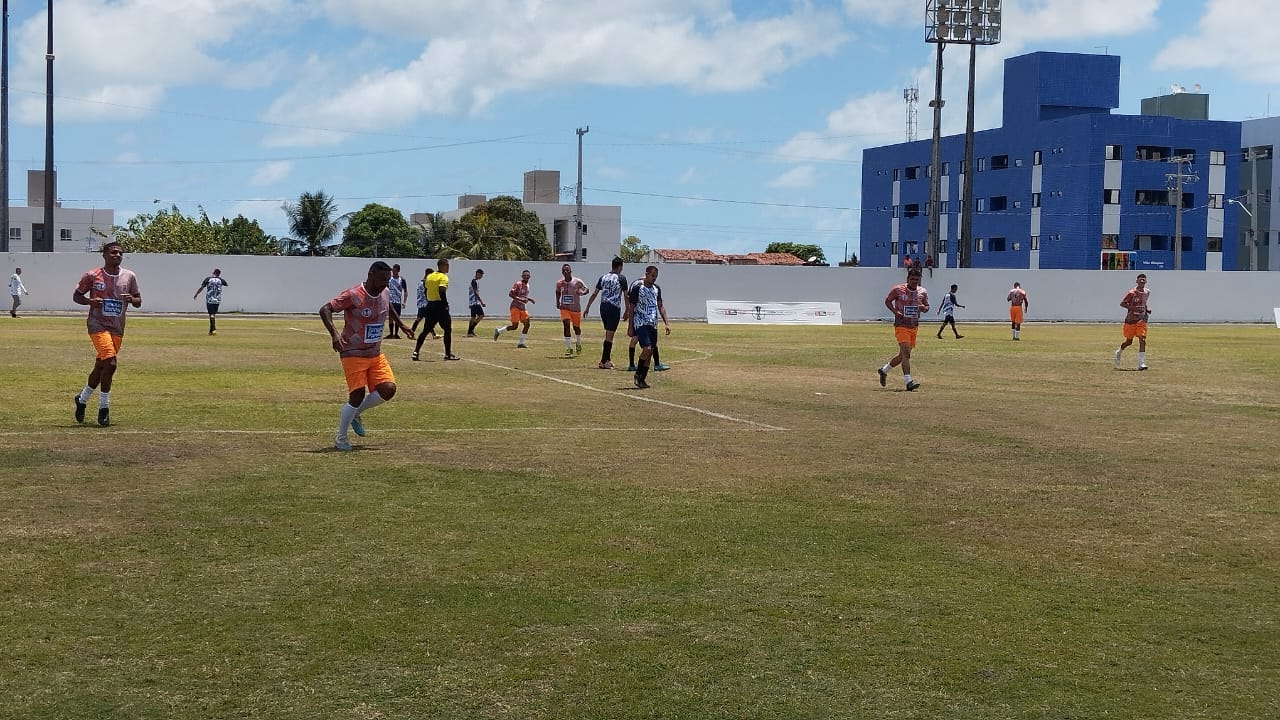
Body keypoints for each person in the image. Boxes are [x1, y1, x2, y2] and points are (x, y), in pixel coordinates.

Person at [319, 260, 414, 451]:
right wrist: (334, 334)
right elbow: (325, 309)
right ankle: (341, 439)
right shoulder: (353, 294)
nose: (385, 284)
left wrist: (401, 325)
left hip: (375, 353)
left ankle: (356, 413)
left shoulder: (385, 292)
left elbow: (389, 307)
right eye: (382, 280)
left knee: (388, 389)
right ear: (370, 275)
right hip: (352, 352)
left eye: (388, 280)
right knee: (357, 395)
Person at [71, 240, 142, 426]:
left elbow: (139, 300)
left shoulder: (129, 276)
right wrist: (89, 302)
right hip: (97, 324)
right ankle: (104, 408)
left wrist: (132, 299)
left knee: (102, 367)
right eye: (113, 253)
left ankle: (82, 398)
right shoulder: (92, 275)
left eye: (120, 253)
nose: (117, 255)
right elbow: (76, 296)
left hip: (117, 327)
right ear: (104, 255)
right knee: (111, 362)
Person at [877, 266, 928, 391]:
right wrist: (895, 312)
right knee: (906, 353)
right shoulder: (898, 289)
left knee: (903, 355)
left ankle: (884, 370)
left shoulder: (922, 292)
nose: (914, 282)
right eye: (912, 279)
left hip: (914, 326)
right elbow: (888, 301)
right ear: (907, 279)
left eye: (917, 279)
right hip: (901, 326)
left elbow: (927, 307)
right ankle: (908, 381)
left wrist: (923, 308)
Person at [623, 265, 670, 389]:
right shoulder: (638, 288)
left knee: (649, 353)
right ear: (647, 274)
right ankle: (638, 374)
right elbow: (632, 307)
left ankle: (642, 379)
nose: (654, 278)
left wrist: (666, 323)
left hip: (652, 323)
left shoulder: (656, 289)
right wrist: (630, 326)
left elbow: (660, 306)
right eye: (652, 275)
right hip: (640, 322)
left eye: (656, 276)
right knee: (647, 348)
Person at [583, 257, 628, 369]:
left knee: (608, 333)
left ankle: (607, 359)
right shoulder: (621, 278)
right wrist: (627, 310)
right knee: (609, 335)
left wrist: (587, 307)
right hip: (614, 307)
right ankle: (603, 361)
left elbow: (594, 293)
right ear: (620, 267)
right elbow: (626, 295)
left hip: (603, 307)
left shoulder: (603, 277)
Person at [413, 258, 459, 362]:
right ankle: (447, 354)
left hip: (430, 305)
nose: (448, 267)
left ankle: (416, 352)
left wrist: (429, 299)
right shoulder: (443, 277)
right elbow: (441, 290)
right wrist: (445, 304)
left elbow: (425, 290)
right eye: (447, 265)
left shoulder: (430, 276)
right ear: (442, 266)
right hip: (440, 305)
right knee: (447, 329)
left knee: (426, 330)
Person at [1115, 273, 1152, 371]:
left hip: (1141, 320)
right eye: (1140, 280)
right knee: (1129, 342)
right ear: (1137, 281)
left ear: (1146, 281)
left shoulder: (1147, 292)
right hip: (1130, 321)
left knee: (1142, 340)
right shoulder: (1132, 293)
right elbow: (1122, 304)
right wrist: (1134, 308)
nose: (1142, 282)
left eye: (1144, 280)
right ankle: (1119, 351)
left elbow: (1144, 303)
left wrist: (1147, 310)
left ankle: (1141, 364)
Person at [554, 263, 590, 357]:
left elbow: (586, 289)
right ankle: (568, 348)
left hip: (575, 309)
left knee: (576, 328)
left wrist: (581, 292)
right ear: (562, 272)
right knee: (566, 325)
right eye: (564, 270)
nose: (565, 272)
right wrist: (557, 302)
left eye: (567, 270)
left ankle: (578, 343)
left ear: (570, 271)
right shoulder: (559, 283)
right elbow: (557, 292)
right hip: (564, 308)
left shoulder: (577, 281)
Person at [493, 269, 535, 347]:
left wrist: (529, 299)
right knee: (514, 326)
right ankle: (499, 331)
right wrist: (520, 299)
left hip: (522, 308)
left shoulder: (528, 285)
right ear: (522, 276)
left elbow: (523, 296)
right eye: (524, 275)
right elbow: (510, 294)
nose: (526, 276)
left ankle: (521, 343)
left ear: (530, 276)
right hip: (515, 307)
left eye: (527, 275)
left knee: (527, 324)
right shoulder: (518, 284)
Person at [192, 268, 228, 335]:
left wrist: (196, 294)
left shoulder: (208, 279)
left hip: (210, 299)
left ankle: (213, 329)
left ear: (213, 272)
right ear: (219, 274)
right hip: (217, 300)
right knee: (213, 314)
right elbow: (226, 284)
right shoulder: (221, 280)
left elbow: (202, 287)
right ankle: (211, 331)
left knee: (211, 315)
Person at [410, 267, 431, 338]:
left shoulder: (420, 282)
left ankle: (434, 334)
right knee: (422, 319)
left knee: (427, 319)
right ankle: (411, 333)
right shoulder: (425, 282)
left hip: (421, 303)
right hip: (424, 304)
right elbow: (425, 293)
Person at [465, 268, 486, 337]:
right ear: (478, 274)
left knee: (480, 315)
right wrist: (482, 302)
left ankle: (470, 331)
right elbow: (475, 293)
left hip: (475, 302)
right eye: (481, 275)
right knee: (474, 317)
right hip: (474, 302)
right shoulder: (474, 282)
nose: (481, 276)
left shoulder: (476, 282)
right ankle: (470, 331)